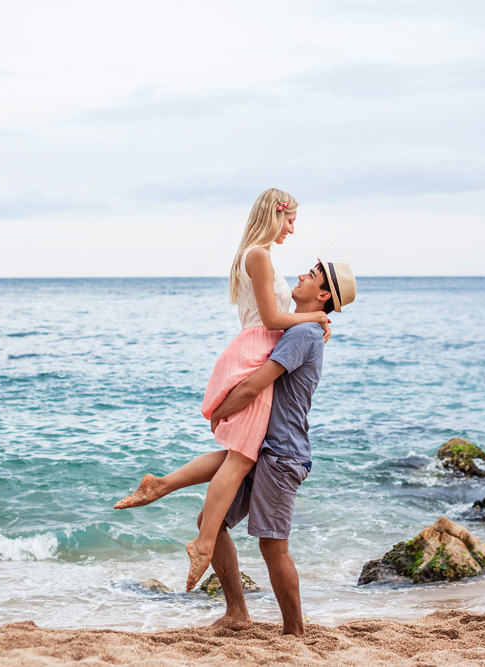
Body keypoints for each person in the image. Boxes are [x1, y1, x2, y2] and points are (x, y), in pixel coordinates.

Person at [118, 259, 356, 635]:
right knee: (209, 523)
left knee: (273, 547)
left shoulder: (303, 335)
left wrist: (219, 413)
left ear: (323, 294)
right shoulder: (304, 329)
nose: (300, 275)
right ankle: (236, 613)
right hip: (264, 446)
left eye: (311, 276)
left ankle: (295, 632)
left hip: (282, 454)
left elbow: (253, 386)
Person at [113, 188, 329, 592]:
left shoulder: (258, 253)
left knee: (237, 452)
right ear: (274, 214)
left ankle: (161, 485)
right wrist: (316, 314)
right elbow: (269, 317)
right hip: (254, 350)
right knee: (243, 456)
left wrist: (311, 322)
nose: (293, 228)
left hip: (255, 347)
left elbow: (275, 318)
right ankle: (205, 541)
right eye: (290, 219)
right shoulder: (260, 255)